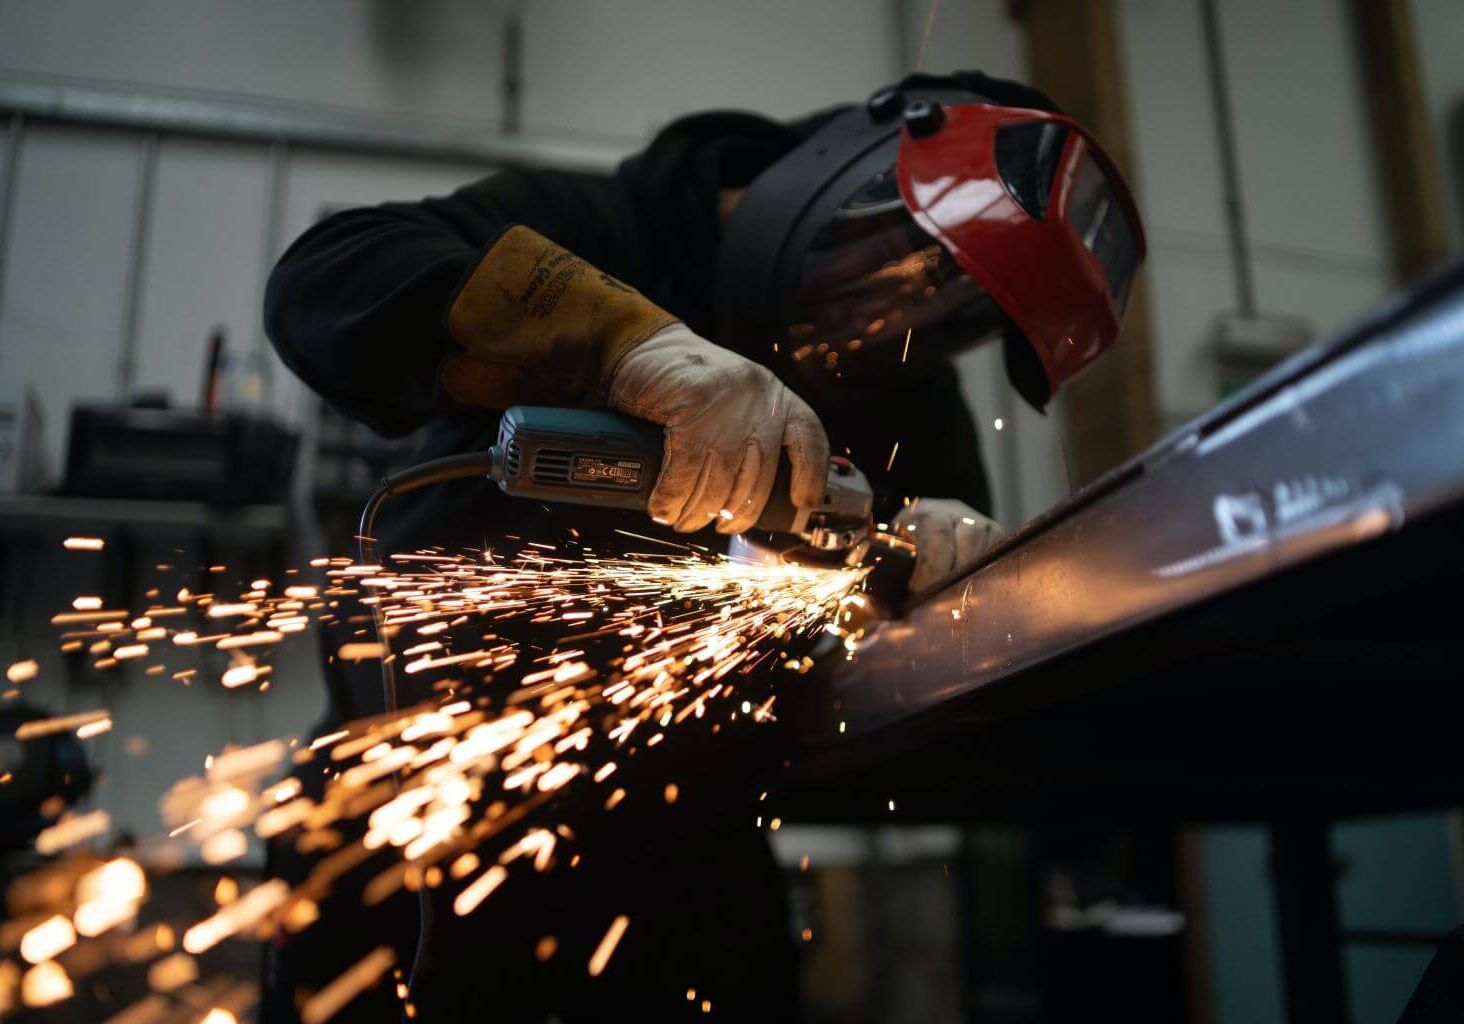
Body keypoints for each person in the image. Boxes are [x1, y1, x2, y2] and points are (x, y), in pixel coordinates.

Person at [262, 69, 1144, 1021]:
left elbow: (927, 623)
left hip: (684, 848)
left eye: (951, 309)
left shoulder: (898, 380)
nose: (896, 315)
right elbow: (327, 274)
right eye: (906, 265)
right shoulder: (596, 226)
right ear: (843, 168)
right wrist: (625, 344)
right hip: (413, 817)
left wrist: (940, 582)